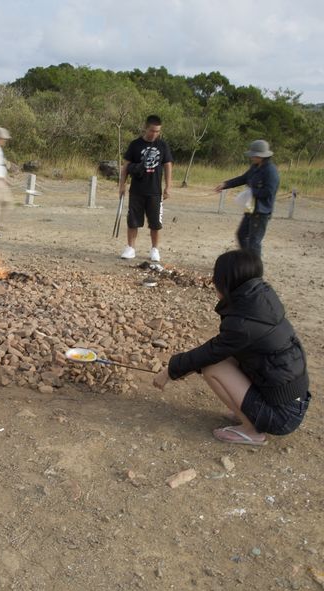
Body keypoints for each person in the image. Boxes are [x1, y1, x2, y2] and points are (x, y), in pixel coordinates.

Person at [152, 250, 310, 445]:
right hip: (293, 403)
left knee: (213, 367)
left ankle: (252, 431)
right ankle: (251, 412)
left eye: (216, 277)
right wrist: (188, 367)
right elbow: (221, 349)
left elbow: (211, 352)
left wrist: (171, 370)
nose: (213, 281)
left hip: (283, 416)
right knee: (223, 359)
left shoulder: (244, 323)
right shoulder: (260, 302)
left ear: (227, 282)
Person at [119, 114, 173, 262]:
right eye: (152, 131)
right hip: (137, 190)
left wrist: (168, 186)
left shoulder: (163, 145)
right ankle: (130, 248)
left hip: (155, 191)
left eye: (157, 131)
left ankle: (155, 249)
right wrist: (122, 184)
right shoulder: (135, 144)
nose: (154, 134)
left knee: (155, 222)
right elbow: (125, 166)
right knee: (133, 220)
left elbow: (168, 165)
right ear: (145, 128)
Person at [214, 139, 279, 258]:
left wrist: (251, 192)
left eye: (253, 155)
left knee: (254, 242)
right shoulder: (255, 167)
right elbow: (243, 178)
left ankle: (255, 268)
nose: (251, 157)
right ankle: (247, 260)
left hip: (260, 211)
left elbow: (269, 191)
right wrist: (226, 184)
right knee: (241, 235)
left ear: (261, 156)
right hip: (250, 209)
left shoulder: (270, 171)